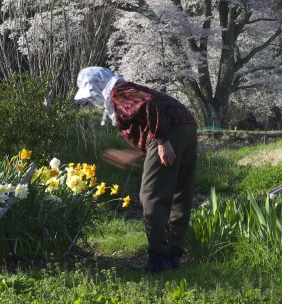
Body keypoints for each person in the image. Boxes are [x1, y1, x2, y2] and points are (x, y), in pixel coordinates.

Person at [74, 66, 198, 273]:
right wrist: (137, 153)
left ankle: (159, 257)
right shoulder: (128, 90)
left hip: (170, 132)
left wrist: (163, 142)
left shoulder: (118, 93)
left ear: (98, 87)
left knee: (151, 195)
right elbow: (148, 119)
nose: (94, 99)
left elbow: (149, 105)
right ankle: (174, 253)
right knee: (180, 192)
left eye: (93, 93)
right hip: (186, 126)